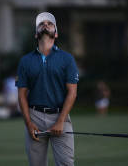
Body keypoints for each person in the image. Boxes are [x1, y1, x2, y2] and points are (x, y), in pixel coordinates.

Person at [16, 12, 79, 166]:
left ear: (55, 34)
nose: (45, 24)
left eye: (49, 24)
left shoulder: (67, 59)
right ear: (36, 34)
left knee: (66, 164)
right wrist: (28, 123)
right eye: (41, 24)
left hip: (60, 116)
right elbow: (22, 95)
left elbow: (72, 92)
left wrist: (60, 121)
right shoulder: (25, 61)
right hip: (34, 117)